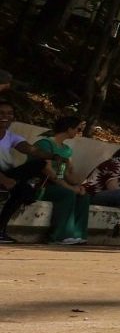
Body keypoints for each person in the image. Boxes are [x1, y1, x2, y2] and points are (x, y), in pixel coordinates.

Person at [28, 115, 92, 244]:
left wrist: (78, 186)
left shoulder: (66, 150)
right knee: (67, 194)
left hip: (56, 184)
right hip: (40, 185)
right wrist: (70, 188)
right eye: (78, 129)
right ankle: (58, 236)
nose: (79, 133)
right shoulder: (45, 144)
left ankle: (78, 235)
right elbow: (48, 171)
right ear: (69, 129)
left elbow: (64, 174)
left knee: (83, 196)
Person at [0, 99, 51, 243]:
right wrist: (3, 180)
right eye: (1, 113)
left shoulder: (11, 136)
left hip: (10, 175)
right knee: (24, 191)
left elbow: (31, 150)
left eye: (9, 113)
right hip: (2, 177)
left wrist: (54, 156)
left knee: (38, 166)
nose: (5, 116)